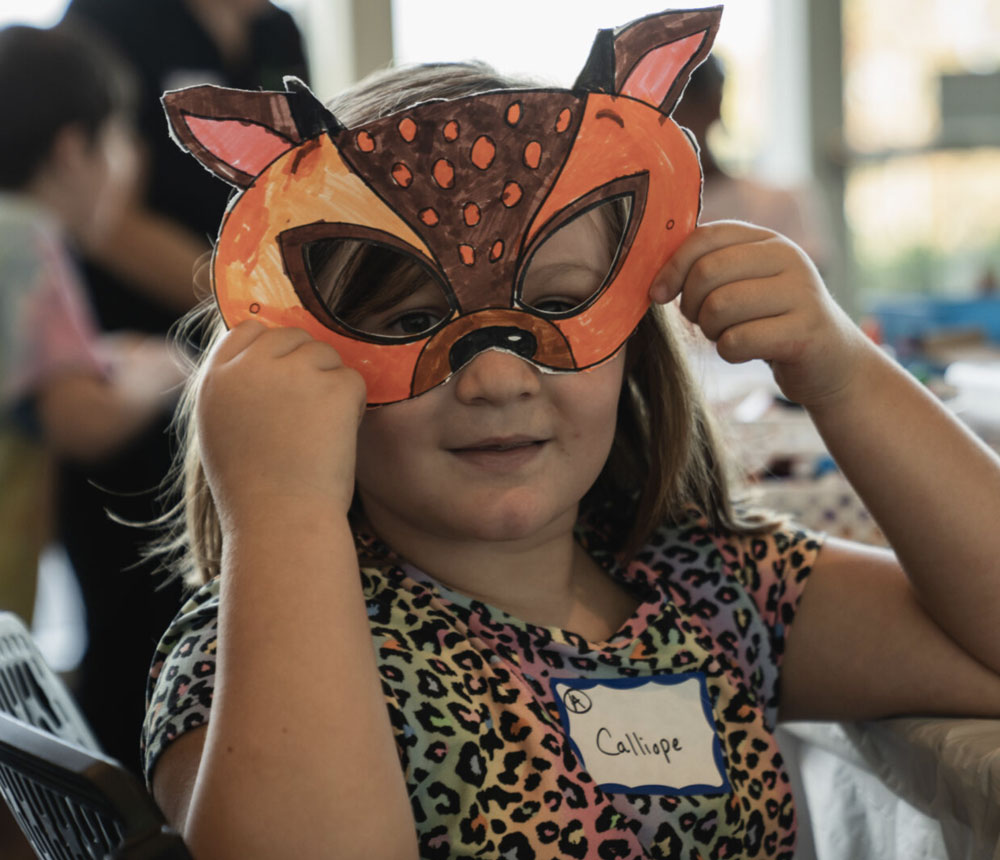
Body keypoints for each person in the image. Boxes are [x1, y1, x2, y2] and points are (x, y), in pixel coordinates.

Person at [140, 43, 1000, 860]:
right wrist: (282, 512)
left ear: (635, 341)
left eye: (556, 305)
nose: (498, 381)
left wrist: (845, 373)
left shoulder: (707, 592)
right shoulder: (245, 646)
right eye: (408, 324)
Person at [43, 0, 307, 772]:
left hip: (243, 360)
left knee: (244, 618)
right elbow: (102, 218)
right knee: (136, 630)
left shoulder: (277, 33)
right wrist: (243, 309)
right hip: (128, 376)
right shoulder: (103, 20)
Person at [672, 54, 831, 273]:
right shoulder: (628, 213)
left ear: (713, 104)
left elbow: (811, 290)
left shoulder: (778, 204)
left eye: (676, 103)